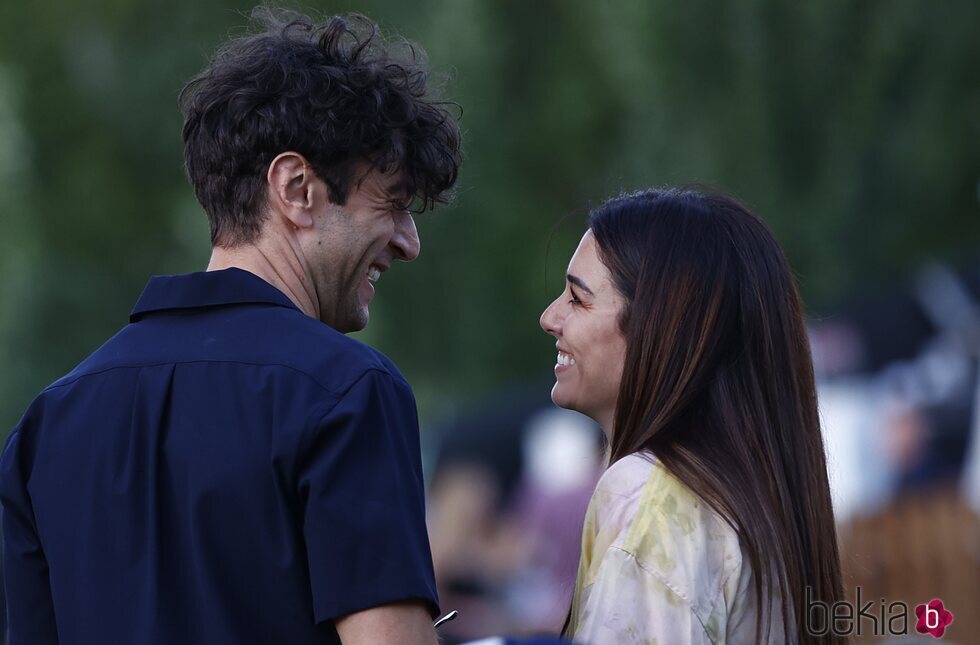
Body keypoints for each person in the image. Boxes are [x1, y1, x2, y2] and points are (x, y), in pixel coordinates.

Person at [0, 9, 461, 645]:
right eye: (393, 205)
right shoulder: (348, 392)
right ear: (296, 186)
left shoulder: (47, 423)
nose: (409, 243)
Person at [539, 188, 844, 644]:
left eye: (578, 299)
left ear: (660, 327)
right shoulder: (750, 497)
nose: (549, 317)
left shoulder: (653, 500)